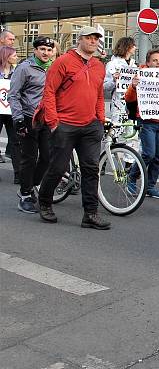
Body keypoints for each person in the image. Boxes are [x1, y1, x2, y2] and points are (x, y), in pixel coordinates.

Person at [34, 26, 110, 229]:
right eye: (89, 38)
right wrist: (53, 123)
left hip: (90, 126)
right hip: (65, 125)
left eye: (96, 38)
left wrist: (100, 119)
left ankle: (90, 214)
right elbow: (49, 92)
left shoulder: (98, 66)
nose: (94, 41)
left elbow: (99, 94)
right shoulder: (62, 62)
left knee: (91, 169)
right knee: (58, 168)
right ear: (80, 40)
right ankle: (44, 202)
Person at [8, 37, 55, 213]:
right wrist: (18, 120)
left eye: (49, 50)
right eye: (42, 49)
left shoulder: (54, 67)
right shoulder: (24, 68)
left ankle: (30, 184)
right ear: (35, 50)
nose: (46, 53)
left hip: (48, 118)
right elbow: (13, 95)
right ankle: (26, 194)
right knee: (29, 157)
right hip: (29, 118)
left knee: (48, 157)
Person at [124, 49, 159, 199]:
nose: (158, 63)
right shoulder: (140, 76)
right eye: (155, 60)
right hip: (146, 121)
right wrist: (134, 86)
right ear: (148, 63)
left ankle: (150, 186)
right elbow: (129, 98)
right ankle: (132, 177)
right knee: (148, 154)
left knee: (158, 156)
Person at [103, 37, 137, 129]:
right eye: (133, 45)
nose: (135, 48)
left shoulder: (133, 65)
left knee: (131, 134)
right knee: (116, 132)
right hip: (118, 104)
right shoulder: (113, 64)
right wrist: (114, 81)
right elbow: (105, 86)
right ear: (127, 47)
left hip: (132, 104)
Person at [0, 46, 20, 181]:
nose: (16, 57)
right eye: (13, 55)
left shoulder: (17, 71)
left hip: (12, 110)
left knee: (16, 141)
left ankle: (18, 173)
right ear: (6, 56)